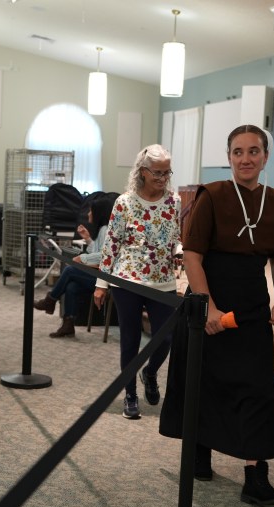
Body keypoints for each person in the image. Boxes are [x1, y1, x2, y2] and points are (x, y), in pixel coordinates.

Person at [159, 124, 274, 507]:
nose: (245, 158)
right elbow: (192, 256)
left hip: (251, 303)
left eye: (253, 151)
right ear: (229, 157)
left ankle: (256, 475)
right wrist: (209, 307)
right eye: (238, 152)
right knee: (204, 381)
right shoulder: (212, 195)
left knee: (257, 386)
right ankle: (200, 452)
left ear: (265, 157)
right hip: (208, 297)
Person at [94, 145, 180, 420]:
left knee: (165, 338)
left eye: (167, 172)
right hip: (126, 280)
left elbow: (174, 236)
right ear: (143, 171)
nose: (163, 178)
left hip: (162, 281)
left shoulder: (173, 202)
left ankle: (150, 372)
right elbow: (111, 244)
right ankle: (129, 396)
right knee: (129, 340)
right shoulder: (124, 202)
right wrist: (102, 283)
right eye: (157, 172)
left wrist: (178, 249)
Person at [33, 193, 119, 338]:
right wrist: (88, 239)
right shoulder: (103, 230)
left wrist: (82, 258)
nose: (88, 213)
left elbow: (105, 257)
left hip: (106, 281)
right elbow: (98, 252)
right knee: (71, 286)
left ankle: (50, 300)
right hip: (101, 276)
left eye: (91, 210)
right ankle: (68, 325)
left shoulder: (106, 230)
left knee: (70, 270)